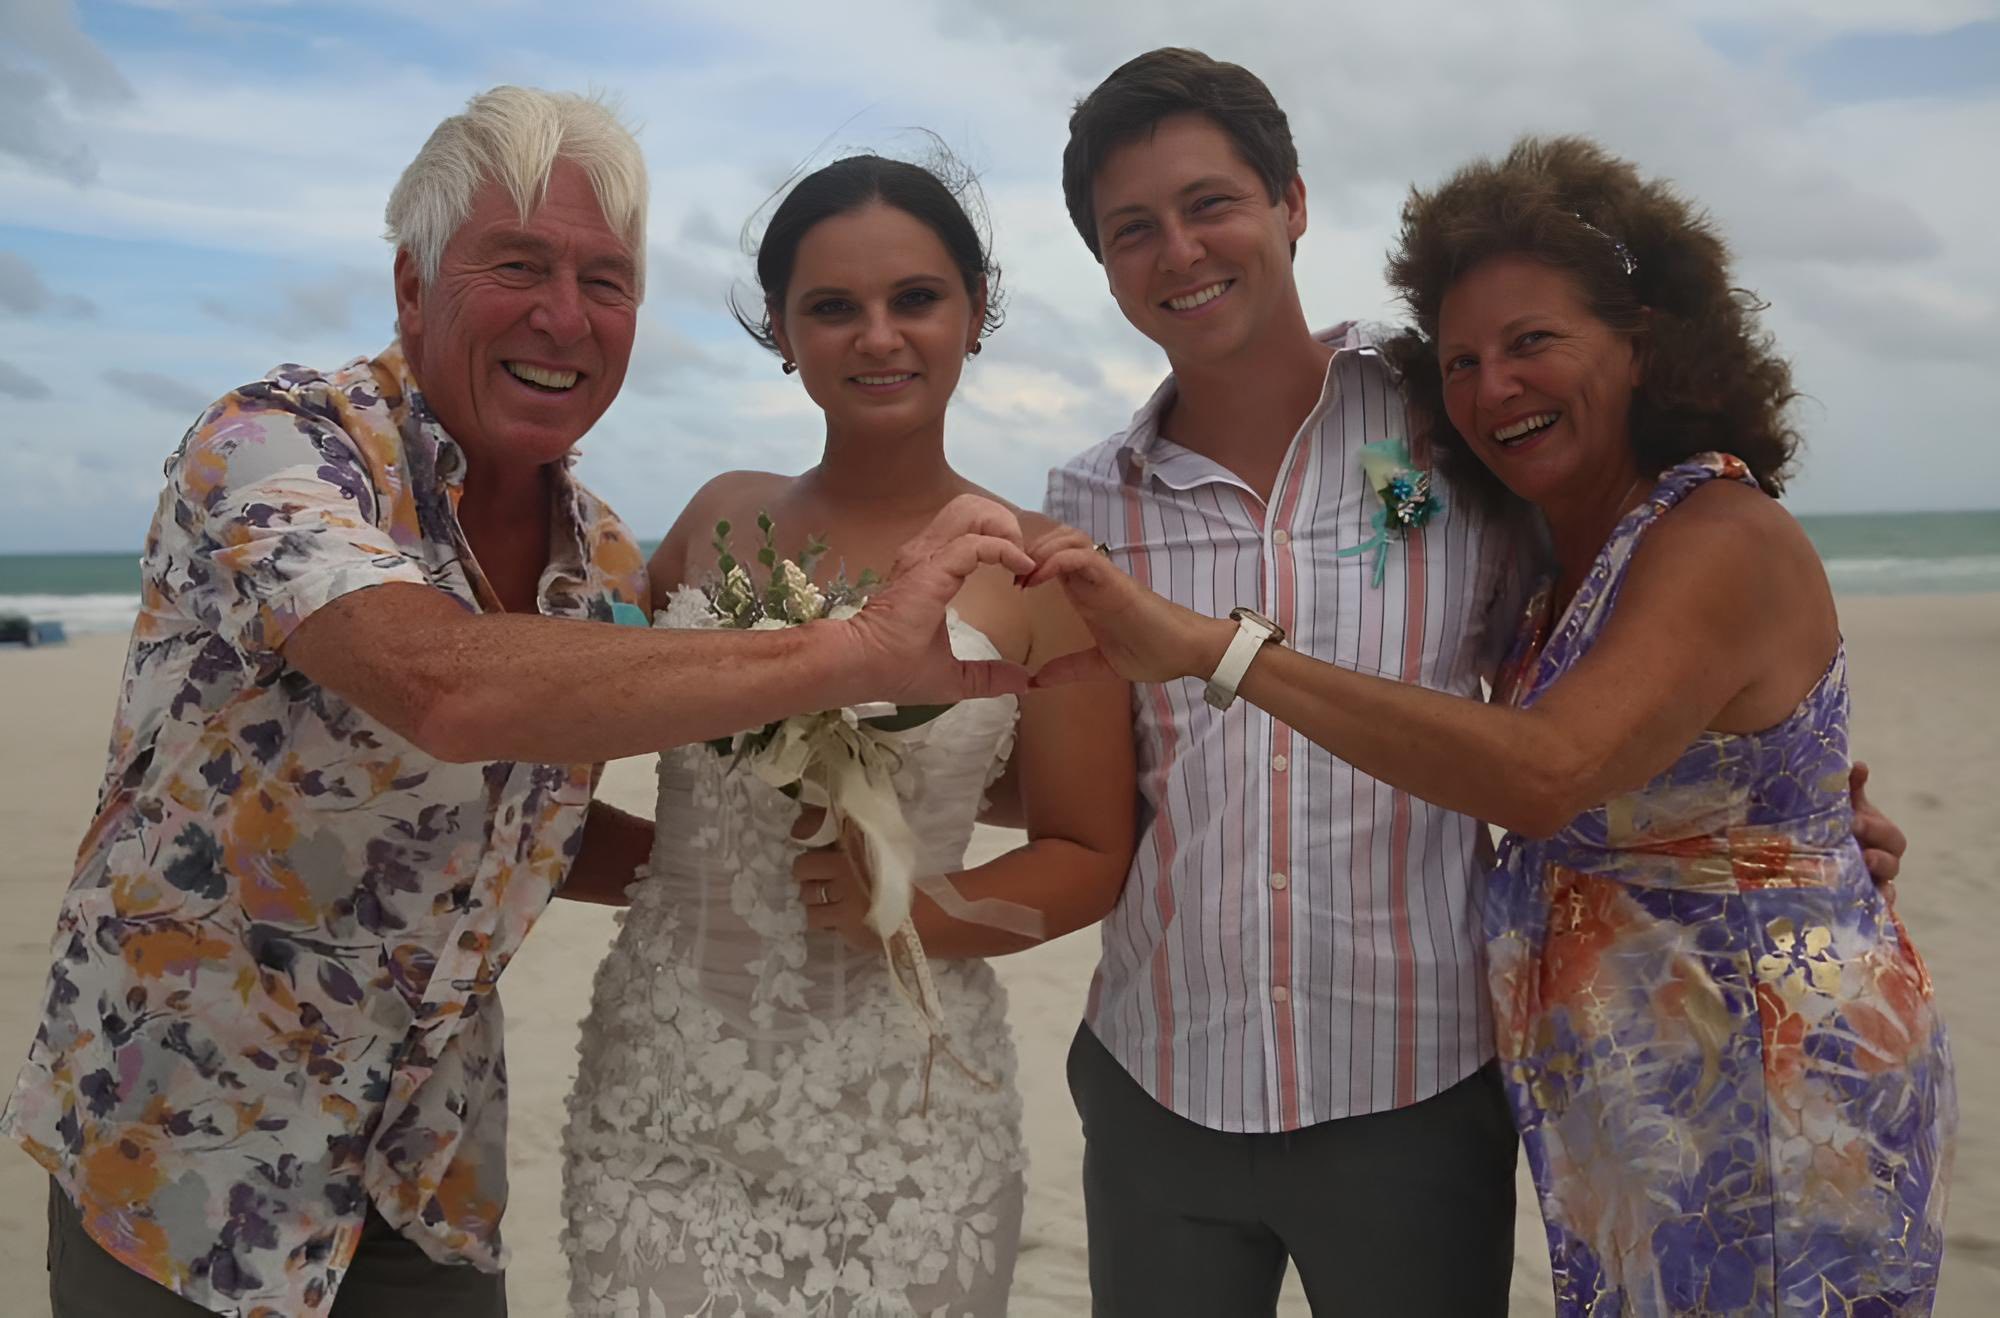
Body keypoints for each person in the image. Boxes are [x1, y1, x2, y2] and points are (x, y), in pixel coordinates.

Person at [3, 89, 1037, 1318]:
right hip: (185, 1155)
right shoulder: (275, 448)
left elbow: (531, 819)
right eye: (517, 265)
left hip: (426, 1165)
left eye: (606, 281)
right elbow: (445, 688)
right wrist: (853, 652)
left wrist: (769, 889)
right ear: (411, 285)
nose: (564, 315)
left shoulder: (601, 558)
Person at [1038, 48, 1911, 1318]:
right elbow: (1089, 783)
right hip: (1159, 1073)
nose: (1178, 249)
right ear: (1105, 264)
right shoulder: (1086, 499)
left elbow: (1605, 678)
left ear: (1290, 202)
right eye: (1132, 228)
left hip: (1419, 1082)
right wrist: (1791, 812)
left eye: (1209, 202)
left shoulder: (1440, 426)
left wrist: (1794, 816)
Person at [558, 153, 1135, 1316]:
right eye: (832, 306)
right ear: (781, 330)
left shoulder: (1036, 572)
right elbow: (569, 734)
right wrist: (666, 874)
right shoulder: (715, 519)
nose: (878, 336)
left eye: (914, 298)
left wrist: (915, 912)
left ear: (973, 311)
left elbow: (1087, 854)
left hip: (907, 1122)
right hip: (662, 1100)